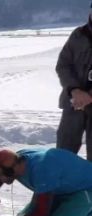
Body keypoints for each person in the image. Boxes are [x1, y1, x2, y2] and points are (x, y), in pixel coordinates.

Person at [0, 148, 92, 216]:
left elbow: (41, 212)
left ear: (10, 171)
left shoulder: (42, 171)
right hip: (60, 188)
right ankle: (66, 213)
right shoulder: (17, 159)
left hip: (85, 190)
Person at [55, 3, 92, 160]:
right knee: (64, 154)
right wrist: (75, 90)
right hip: (74, 102)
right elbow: (63, 65)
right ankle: (61, 185)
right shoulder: (78, 34)